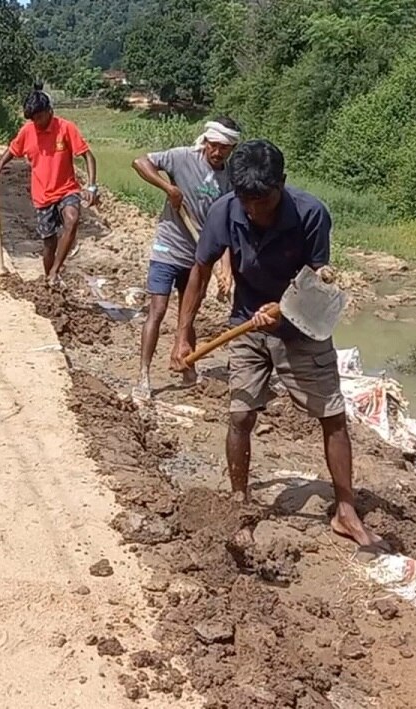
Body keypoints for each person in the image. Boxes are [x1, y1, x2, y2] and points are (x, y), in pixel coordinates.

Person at [169, 140, 384, 551]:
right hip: (247, 325)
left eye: (263, 201)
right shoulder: (224, 211)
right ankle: (240, 503)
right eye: (246, 202)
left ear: (282, 185)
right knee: (240, 415)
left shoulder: (311, 214)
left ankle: (345, 508)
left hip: (302, 327)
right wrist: (183, 333)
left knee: (332, 416)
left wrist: (285, 307)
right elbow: (200, 270)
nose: (254, 212)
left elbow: (320, 282)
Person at [131, 117, 241, 400]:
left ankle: (186, 365)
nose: (217, 152)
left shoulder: (227, 178)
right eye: (213, 146)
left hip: (199, 254)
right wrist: (169, 189)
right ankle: (143, 375)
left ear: (231, 148)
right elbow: (140, 163)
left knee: (187, 315)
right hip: (168, 248)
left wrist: (225, 268)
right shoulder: (182, 157)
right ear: (206, 141)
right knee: (157, 310)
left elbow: (225, 225)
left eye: (224, 148)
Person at [0, 91, 97, 286]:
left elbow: (88, 156)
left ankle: (55, 270)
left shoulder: (65, 128)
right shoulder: (27, 131)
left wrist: (92, 187)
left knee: (72, 220)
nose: (36, 122)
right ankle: (50, 279)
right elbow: (13, 150)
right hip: (42, 195)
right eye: (33, 119)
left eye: (39, 117)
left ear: (50, 111)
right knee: (49, 243)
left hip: (67, 189)